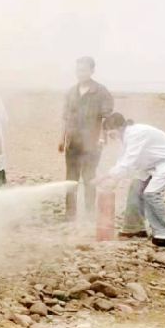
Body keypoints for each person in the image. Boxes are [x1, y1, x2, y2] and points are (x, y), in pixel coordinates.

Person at [97, 113, 165, 247]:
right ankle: (134, 227)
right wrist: (114, 179)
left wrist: (106, 176)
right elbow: (122, 159)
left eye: (110, 131)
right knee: (135, 188)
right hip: (152, 164)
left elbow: (129, 161)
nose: (109, 135)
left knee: (151, 193)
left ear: (120, 126)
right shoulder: (124, 137)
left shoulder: (136, 133)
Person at [60, 57, 113, 220]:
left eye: (83, 70)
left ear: (91, 71)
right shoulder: (72, 92)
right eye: (78, 70)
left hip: (92, 143)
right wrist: (62, 139)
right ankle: (70, 214)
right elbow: (66, 118)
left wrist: (102, 138)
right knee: (71, 178)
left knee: (89, 177)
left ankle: (89, 213)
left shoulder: (101, 91)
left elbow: (106, 118)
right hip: (73, 143)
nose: (80, 73)